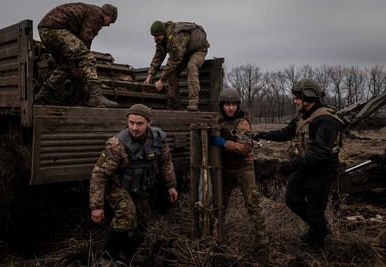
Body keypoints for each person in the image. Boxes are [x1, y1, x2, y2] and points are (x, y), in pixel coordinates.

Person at [253, 78, 344, 251]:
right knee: (292, 199)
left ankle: (316, 246)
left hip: (322, 171)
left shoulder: (326, 119)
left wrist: (293, 165)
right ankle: (319, 228)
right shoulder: (304, 117)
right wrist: (264, 135)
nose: (294, 101)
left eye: (297, 97)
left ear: (308, 96)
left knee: (314, 210)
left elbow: (321, 153)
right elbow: (286, 133)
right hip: (307, 167)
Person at [89, 104, 178, 261]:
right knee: (127, 214)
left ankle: (128, 253)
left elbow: (166, 162)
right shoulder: (117, 144)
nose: (134, 127)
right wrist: (96, 206)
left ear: (149, 123)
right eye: (131, 123)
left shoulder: (158, 140)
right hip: (117, 185)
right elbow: (99, 174)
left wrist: (171, 186)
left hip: (139, 186)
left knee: (144, 220)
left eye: (139, 123)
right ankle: (108, 257)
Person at [210, 88, 267, 248]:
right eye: (227, 105)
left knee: (252, 202)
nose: (230, 108)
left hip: (243, 168)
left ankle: (262, 234)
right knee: (220, 202)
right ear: (222, 105)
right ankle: (216, 232)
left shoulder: (243, 123)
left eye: (233, 105)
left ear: (237, 106)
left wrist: (222, 143)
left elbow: (245, 148)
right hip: (225, 168)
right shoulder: (219, 122)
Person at [35, 2, 119, 108]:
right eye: (110, 21)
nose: (109, 25)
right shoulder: (96, 14)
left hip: (47, 30)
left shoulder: (92, 12)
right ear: (106, 15)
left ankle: (44, 94)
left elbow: (81, 42)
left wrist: (78, 66)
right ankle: (96, 96)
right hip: (54, 29)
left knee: (67, 65)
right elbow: (85, 39)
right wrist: (83, 62)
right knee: (87, 58)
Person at [144, 21, 210, 111]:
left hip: (198, 50)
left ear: (163, 33)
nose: (155, 39)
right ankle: (175, 105)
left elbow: (174, 60)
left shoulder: (176, 37)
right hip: (184, 52)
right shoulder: (161, 41)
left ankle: (193, 102)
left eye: (157, 36)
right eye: (154, 36)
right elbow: (158, 58)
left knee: (191, 66)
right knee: (172, 72)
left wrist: (161, 80)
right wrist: (149, 76)